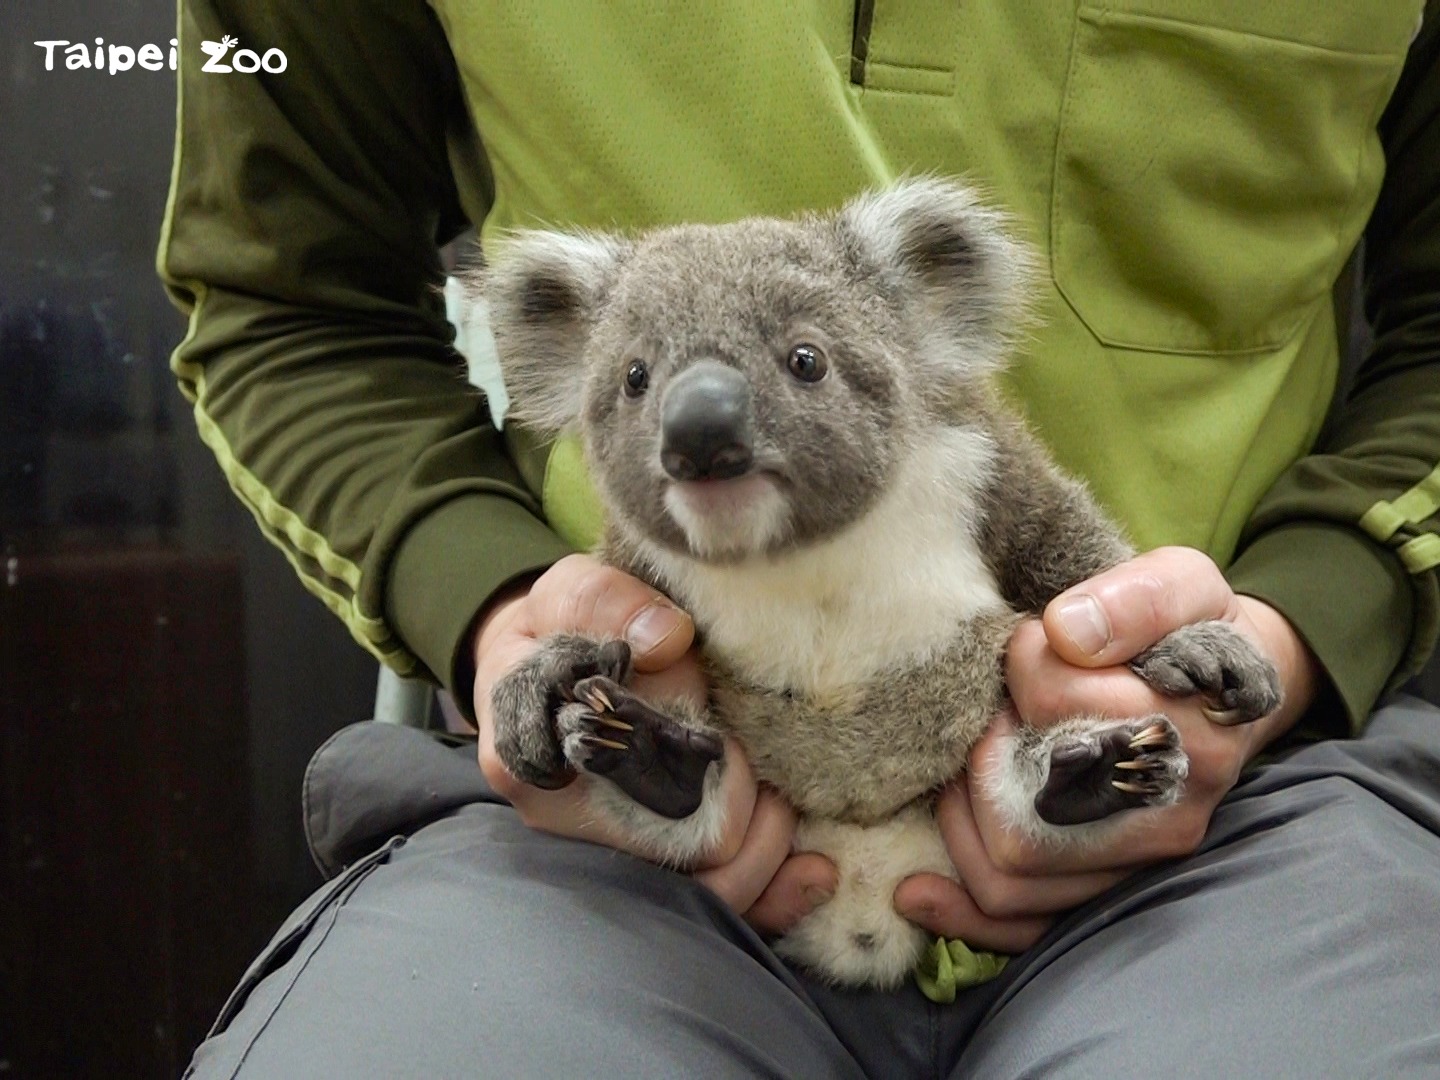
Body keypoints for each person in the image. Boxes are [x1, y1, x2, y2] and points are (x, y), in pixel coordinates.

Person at [165, 2, 1440, 1076]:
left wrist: (1292, 630)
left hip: (1245, 799)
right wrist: (499, 619)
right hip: (619, 842)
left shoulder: (977, 460)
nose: (701, 428)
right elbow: (287, 305)